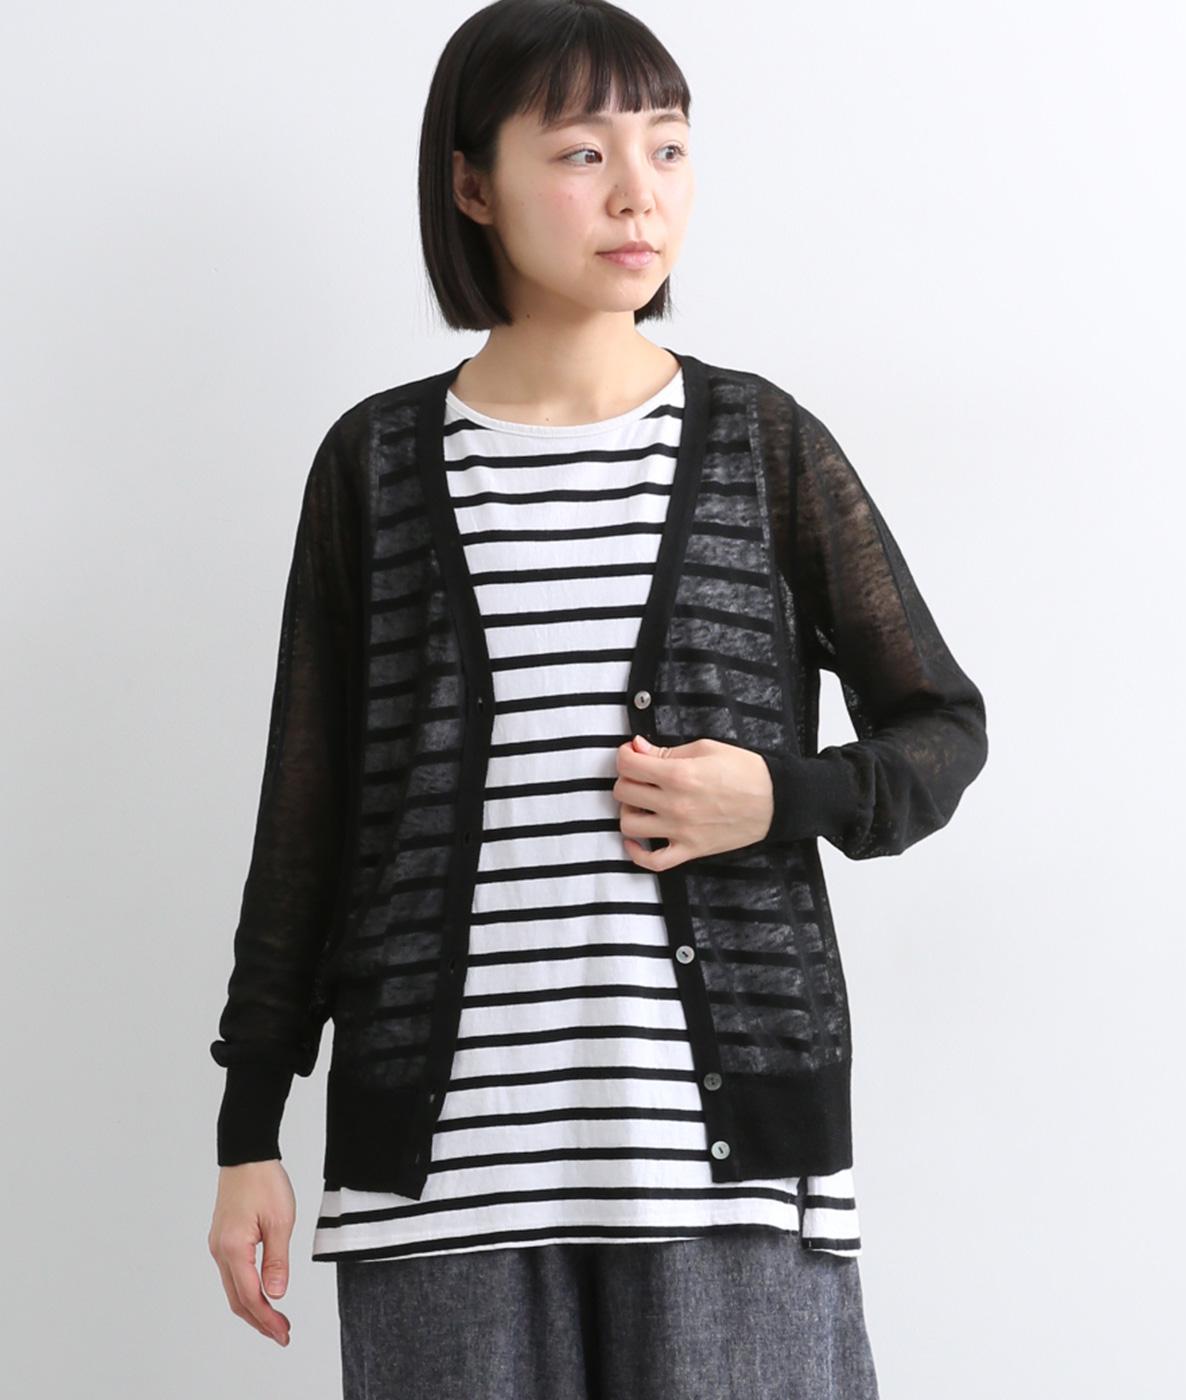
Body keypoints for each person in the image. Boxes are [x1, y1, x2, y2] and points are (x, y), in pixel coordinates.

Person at [207, 3, 988, 1396]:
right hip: (440, 1186)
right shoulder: (376, 466)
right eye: (581, 152)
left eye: (668, 147)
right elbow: (307, 820)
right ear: (472, 184)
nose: (639, 193)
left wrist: (780, 795)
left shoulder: (762, 444)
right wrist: (248, 1128)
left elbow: (941, 728)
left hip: (726, 1177)